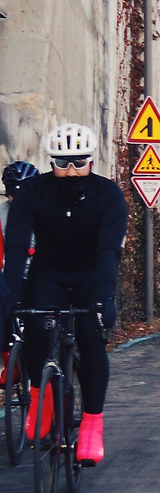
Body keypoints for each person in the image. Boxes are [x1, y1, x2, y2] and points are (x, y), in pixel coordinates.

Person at [1, 124, 127, 465]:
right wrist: (9, 294)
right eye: (62, 163)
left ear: (90, 161)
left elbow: (109, 250)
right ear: (51, 162)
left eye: (79, 162)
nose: (71, 171)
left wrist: (104, 296)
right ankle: (41, 401)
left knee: (90, 335)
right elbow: (16, 245)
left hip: (91, 274)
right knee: (35, 332)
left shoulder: (108, 195)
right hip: (49, 273)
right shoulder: (33, 191)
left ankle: (92, 424)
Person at [1, 160, 38, 370]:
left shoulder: (45, 210)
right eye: (12, 193)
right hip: (12, 274)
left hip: (41, 274)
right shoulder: (2, 213)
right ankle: (10, 364)